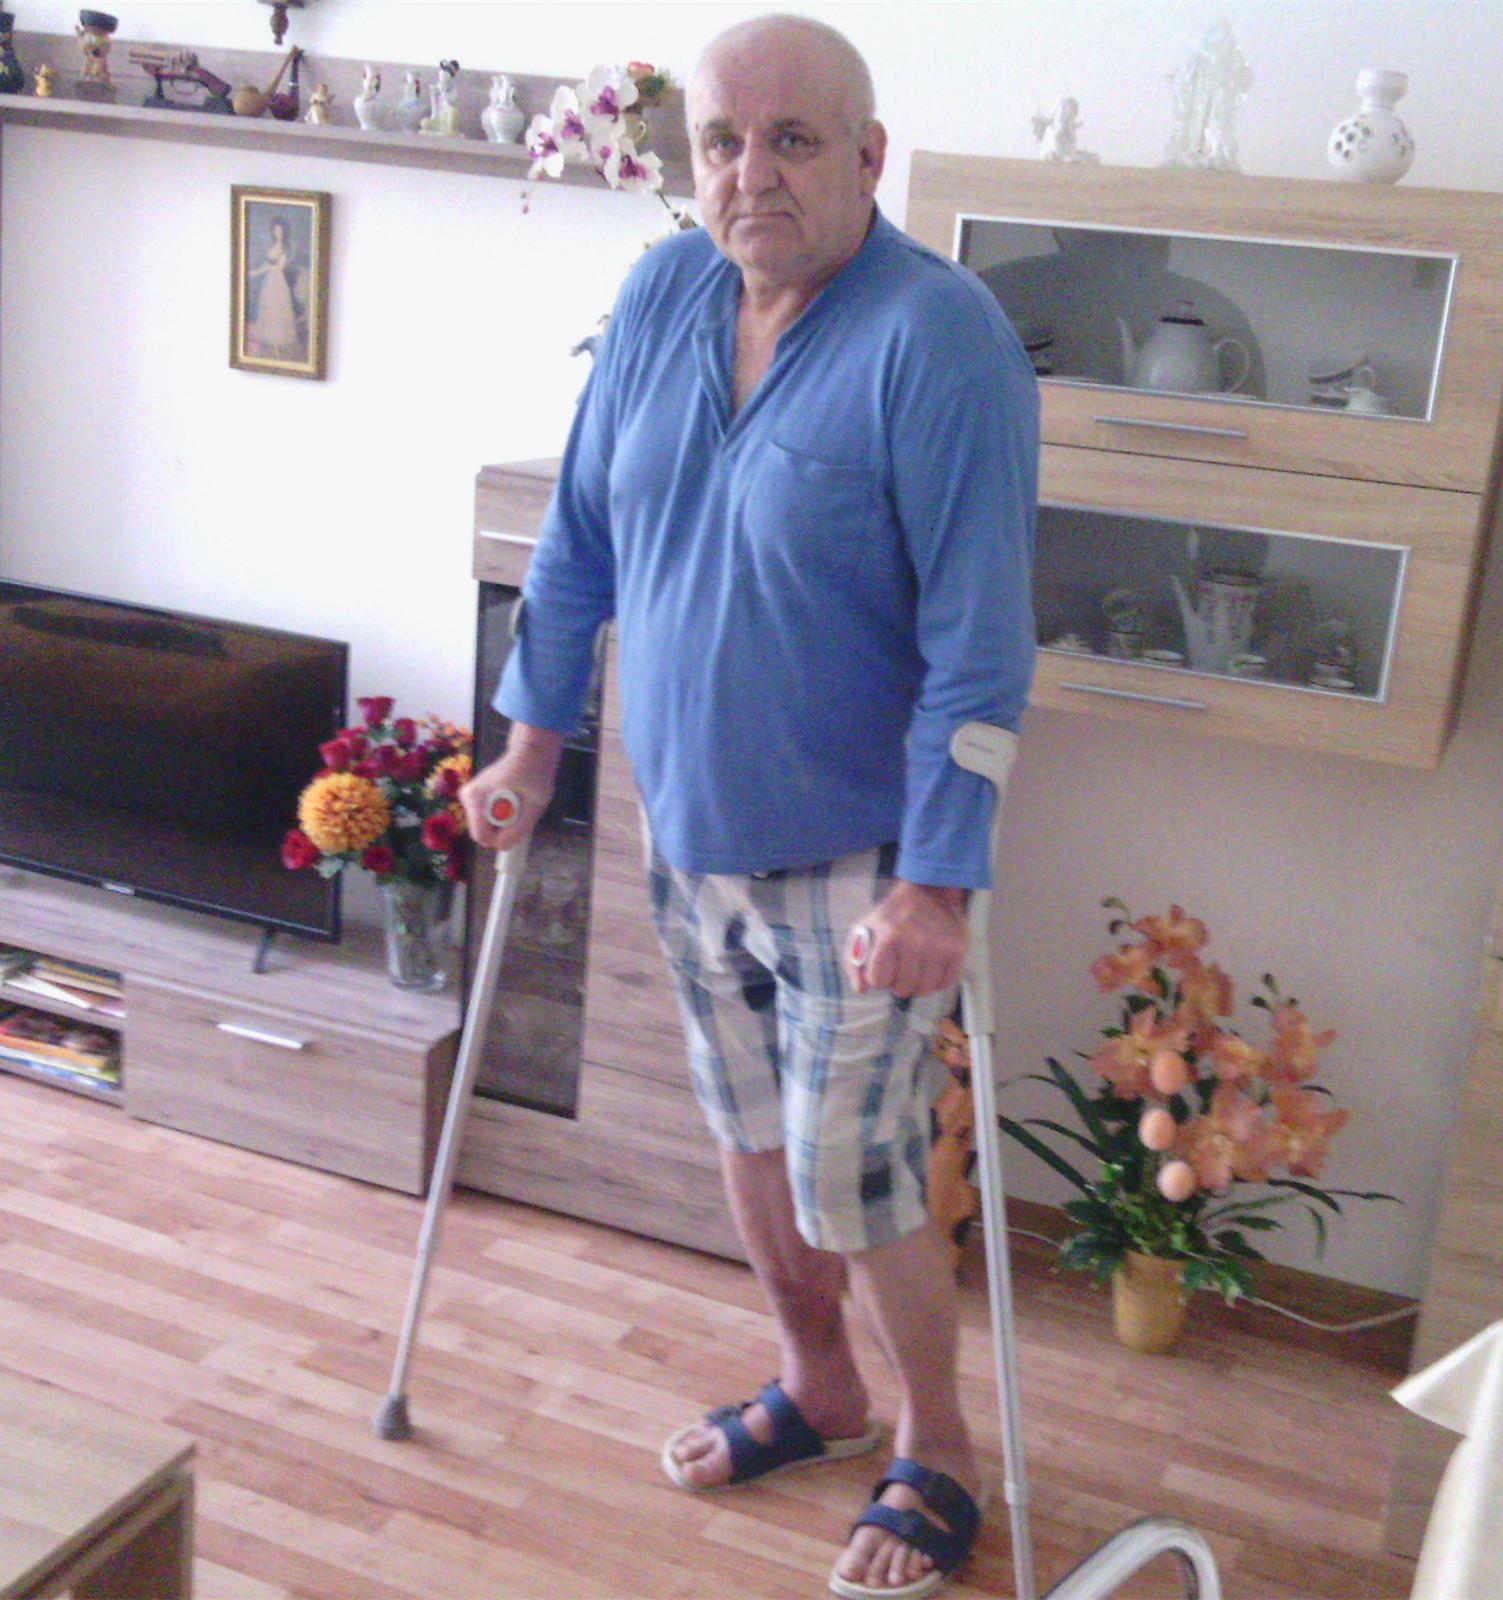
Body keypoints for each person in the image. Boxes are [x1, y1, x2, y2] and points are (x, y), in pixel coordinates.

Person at [462, 15, 1038, 1598]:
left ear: (868, 155)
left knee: (856, 1171)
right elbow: (580, 545)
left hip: (862, 860)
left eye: (793, 140)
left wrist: (938, 882)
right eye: (723, 140)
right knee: (747, 1141)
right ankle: (821, 1388)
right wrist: (530, 749)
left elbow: (980, 643)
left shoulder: (941, 338)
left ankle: (939, 1444)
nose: (751, 174)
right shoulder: (663, 294)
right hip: (688, 828)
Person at [247, 218, 301, 359]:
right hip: (269, 280)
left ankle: (279, 344)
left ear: (284, 231)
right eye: (276, 230)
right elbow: (267, 264)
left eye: (280, 230)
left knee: (278, 310)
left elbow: (279, 267)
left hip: (278, 280)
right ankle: (269, 341)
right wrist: (255, 272)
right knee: (268, 308)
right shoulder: (272, 246)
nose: (278, 233)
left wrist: (263, 270)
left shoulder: (286, 247)